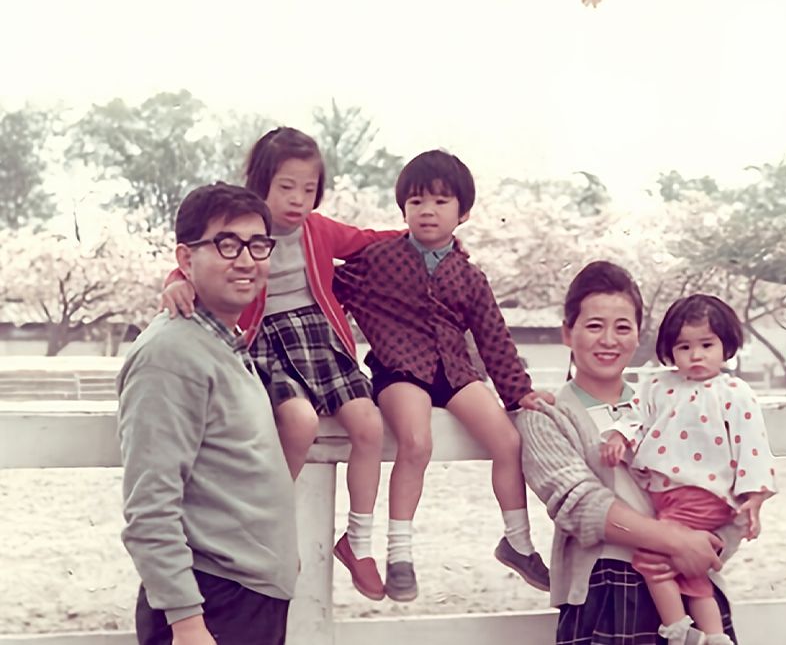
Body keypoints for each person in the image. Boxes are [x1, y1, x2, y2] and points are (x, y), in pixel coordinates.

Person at [160, 127, 396, 601]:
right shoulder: (245, 229)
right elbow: (199, 256)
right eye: (286, 187)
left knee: (369, 425)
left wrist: (431, 243)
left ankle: (359, 540)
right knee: (299, 420)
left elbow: (372, 240)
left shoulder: (320, 229)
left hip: (320, 341)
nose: (298, 200)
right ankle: (270, 522)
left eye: (309, 189)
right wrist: (172, 281)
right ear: (261, 182)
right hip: (267, 340)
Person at [332, 149, 555, 601]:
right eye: (416, 202)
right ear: (403, 209)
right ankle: (399, 553)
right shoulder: (376, 259)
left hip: (454, 371)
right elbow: (324, 283)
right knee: (416, 442)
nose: (427, 211)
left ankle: (517, 542)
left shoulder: (469, 277)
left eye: (439, 202)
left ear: (463, 212)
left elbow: (493, 337)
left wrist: (519, 392)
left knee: (507, 441)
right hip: (399, 369)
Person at [517, 261, 741, 645]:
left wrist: (710, 546)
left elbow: (726, 485)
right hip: (608, 593)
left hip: (693, 589)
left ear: (638, 335)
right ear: (568, 333)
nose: (609, 340)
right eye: (593, 326)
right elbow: (581, 505)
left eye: (622, 327)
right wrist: (676, 542)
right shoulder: (546, 415)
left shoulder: (673, 403)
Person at [118, 182, 298, 645]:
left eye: (258, 245)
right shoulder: (171, 355)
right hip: (211, 606)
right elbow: (150, 506)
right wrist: (187, 623)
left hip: (246, 596)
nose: (246, 259)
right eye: (226, 244)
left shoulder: (223, 343)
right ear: (185, 258)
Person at [601, 294, 776, 645]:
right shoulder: (659, 385)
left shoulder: (734, 392)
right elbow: (635, 415)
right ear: (669, 350)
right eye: (683, 347)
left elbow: (752, 446)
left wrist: (755, 497)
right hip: (664, 496)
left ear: (726, 346)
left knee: (651, 558)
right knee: (683, 567)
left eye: (706, 345)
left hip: (702, 494)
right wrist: (621, 435)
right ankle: (713, 636)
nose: (695, 356)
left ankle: (679, 629)